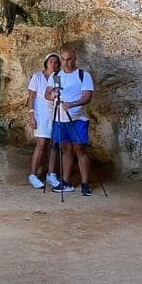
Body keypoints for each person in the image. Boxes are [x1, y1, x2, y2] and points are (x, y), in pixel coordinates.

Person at [45, 48, 95, 196]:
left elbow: (87, 97)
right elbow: (47, 93)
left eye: (69, 59)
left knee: (80, 149)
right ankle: (66, 181)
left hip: (77, 118)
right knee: (65, 149)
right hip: (60, 118)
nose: (66, 63)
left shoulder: (83, 75)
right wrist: (51, 94)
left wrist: (72, 104)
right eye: (63, 59)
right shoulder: (56, 75)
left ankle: (85, 182)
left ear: (75, 59)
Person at [27, 53, 63, 189]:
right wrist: (31, 116)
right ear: (46, 63)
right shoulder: (37, 77)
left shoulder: (58, 77)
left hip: (55, 113)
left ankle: (51, 174)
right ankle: (33, 174)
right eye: (51, 61)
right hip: (41, 113)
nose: (53, 64)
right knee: (41, 144)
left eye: (56, 62)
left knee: (54, 145)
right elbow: (31, 97)